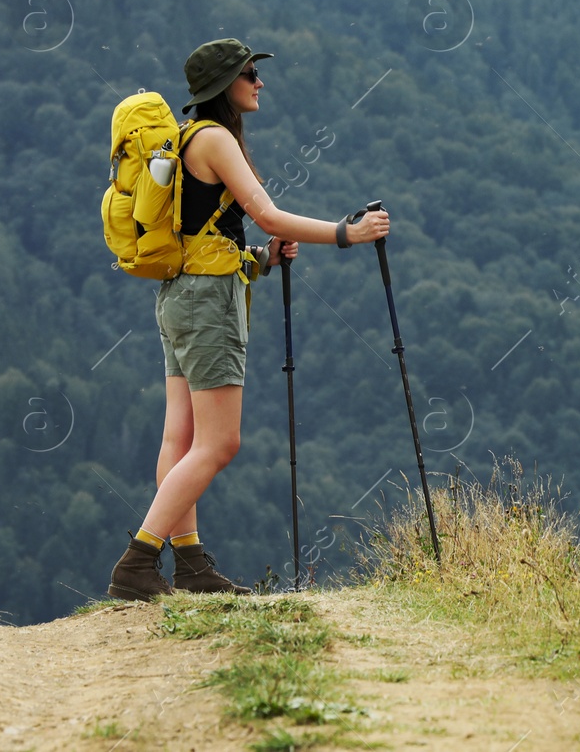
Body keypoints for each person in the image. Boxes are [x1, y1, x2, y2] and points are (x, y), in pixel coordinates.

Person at [107, 38, 388, 601]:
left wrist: (260, 260)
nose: (259, 83)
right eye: (249, 74)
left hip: (178, 296)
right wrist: (344, 234)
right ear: (224, 86)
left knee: (180, 436)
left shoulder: (188, 140)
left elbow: (205, 237)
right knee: (219, 443)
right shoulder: (214, 138)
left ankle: (188, 562)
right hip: (208, 304)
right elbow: (265, 213)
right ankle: (137, 562)